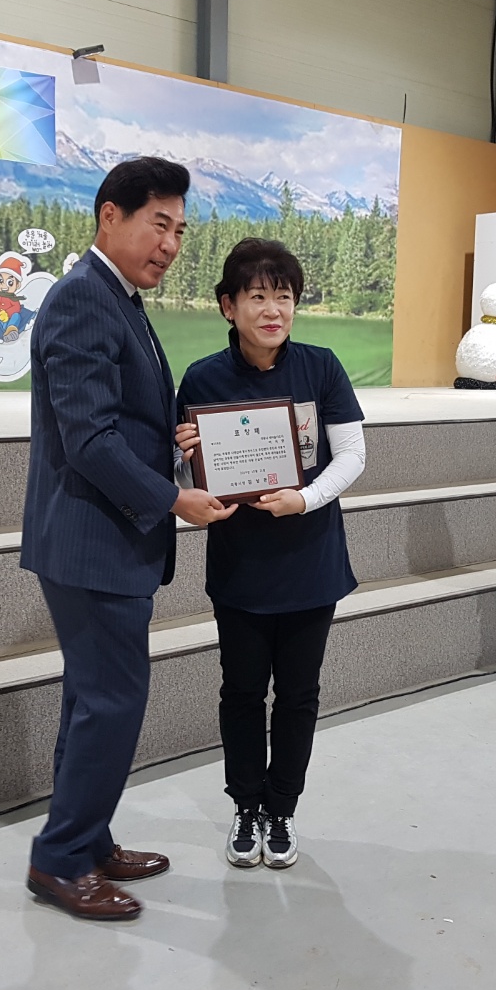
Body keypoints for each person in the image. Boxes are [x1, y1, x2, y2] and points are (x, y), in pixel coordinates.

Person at [20, 157, 235, 922]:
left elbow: (124, 421)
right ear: (110, 215)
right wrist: (174, 497)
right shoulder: (84, 297)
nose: (170, 243)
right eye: (158, 224)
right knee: (111, 701)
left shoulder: (118, 297)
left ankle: (86, 839)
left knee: (93, 699)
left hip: (104, 538)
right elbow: (89, 440)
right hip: (92, 541)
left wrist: (175, 444)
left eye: (179, 230)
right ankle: (59, 861)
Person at [175, 238, 365, 870]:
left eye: (283, 296)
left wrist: (304, 499)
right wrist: (184, 458)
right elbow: (185, 477)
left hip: (311, 562)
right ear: (228, 306)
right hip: (241, 566)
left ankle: (282, 808)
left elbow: (352, 456)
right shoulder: (203, 378)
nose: (272, 309)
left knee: (300, 694)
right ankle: (246, 805)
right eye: (257, 296)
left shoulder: (321, 367)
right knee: (241, 692)